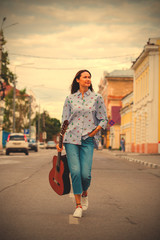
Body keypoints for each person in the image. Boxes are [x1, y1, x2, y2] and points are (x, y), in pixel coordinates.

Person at [56, 70, 108, 218]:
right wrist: (60, 142)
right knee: (75, 171)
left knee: (86, 174)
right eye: (85, 77)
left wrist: (94, 131)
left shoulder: (97, 98)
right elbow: (64, 122)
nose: (88, 79)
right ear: (78, 80)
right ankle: (78, 205)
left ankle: (84, 191)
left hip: (87, 140)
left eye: (89, 77)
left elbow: (104, 119)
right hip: (70, 139)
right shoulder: (70, 99)